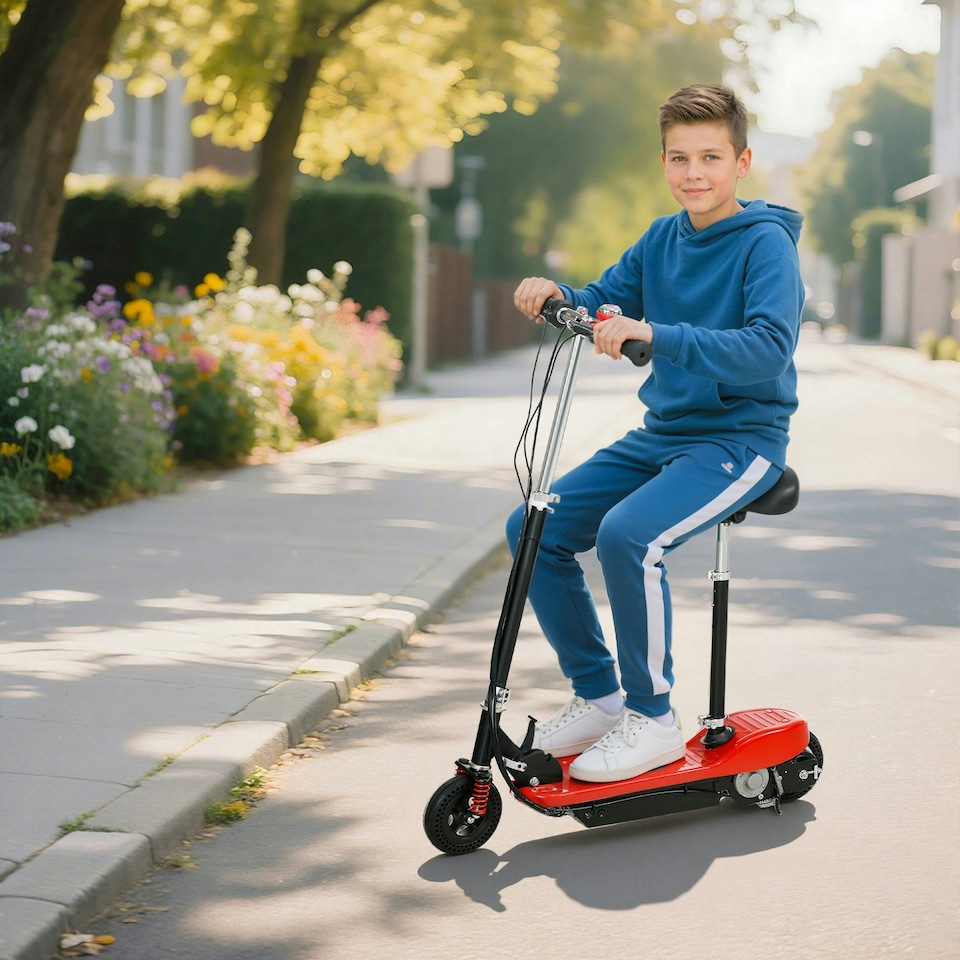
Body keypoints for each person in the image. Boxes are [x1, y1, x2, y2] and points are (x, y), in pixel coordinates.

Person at [509, 83, 804, 784]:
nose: (693, 173)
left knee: (627, 535)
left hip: (741, 441)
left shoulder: (766, 246)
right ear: (664, 162)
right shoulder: (661, 238)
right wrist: (560, 299)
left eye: (710, 156)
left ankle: (653, 719)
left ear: (741, 162)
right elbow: (606, 296)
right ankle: (602, 698)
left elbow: (767, 347)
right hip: (665, 434)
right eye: (679, 157)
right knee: (534, 525)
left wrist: (656, 334)